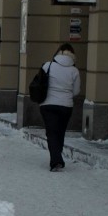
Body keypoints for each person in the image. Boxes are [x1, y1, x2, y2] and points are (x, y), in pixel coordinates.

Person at [39, 43, 81, 172]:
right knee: (60, 132)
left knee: (51, 133)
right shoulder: (74, 71)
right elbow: (76, 91)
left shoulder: (48, 65)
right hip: (65, 106)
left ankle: (56, 160)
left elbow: (39, 83)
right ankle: (57, 158)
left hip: (48, 104)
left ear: (58, 53)